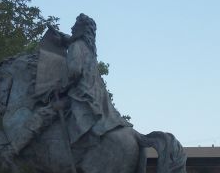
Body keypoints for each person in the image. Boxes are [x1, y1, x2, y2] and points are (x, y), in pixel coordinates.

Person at [10, 14, 130, 156]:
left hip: (80, 96)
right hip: (96, 98)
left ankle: (13, 150)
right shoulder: (89, 49)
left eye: (76, 26)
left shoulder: (76, 46)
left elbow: (74, 72)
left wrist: (60, 86)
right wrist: (64, 38)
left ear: (82, 29)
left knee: (42, 114)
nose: (72, 28)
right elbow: (72, 41)